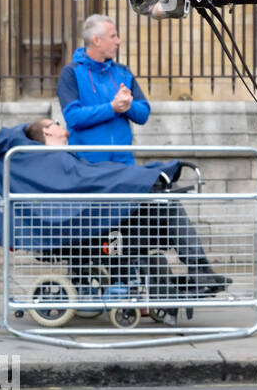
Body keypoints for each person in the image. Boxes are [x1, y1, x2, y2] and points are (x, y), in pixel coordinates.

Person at [21, 118, 229, 295]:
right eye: (55, 123)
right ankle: (200, 269)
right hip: (89, 229)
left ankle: (198, 271)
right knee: (166, 203)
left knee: (164, 199)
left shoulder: (60, 160)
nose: (60, 125)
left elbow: (98, 178)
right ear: (47, 130)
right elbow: (93, 181)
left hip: (97, 220)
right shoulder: (54, 161)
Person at [57, 14, 150, 165]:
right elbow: (73, 117)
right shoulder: (71, 73)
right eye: (113, 36)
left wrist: (127, 106)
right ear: (96, 40)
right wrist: (112, 108)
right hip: (86, 165)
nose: (118, 41)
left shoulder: (123, 72)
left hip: (123, 164)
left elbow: (144, 113)